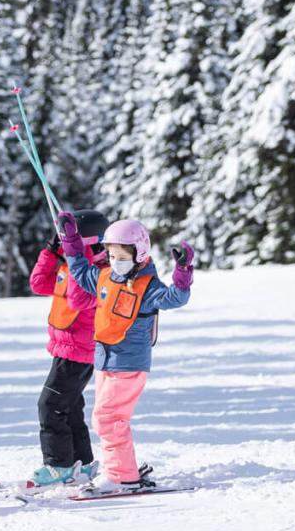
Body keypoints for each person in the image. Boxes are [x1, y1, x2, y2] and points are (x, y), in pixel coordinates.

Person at [56, 210, 194, 491]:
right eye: (112, 256)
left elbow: (175, 298)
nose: (116, 262)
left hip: (129, 364)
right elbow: (81, 272)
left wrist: (182, 272)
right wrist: (71, 241)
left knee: (108, 418)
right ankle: (122, 469)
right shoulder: (106, 277)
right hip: (106, 361)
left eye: (122, 257)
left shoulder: (148, 287)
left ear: (139, 253)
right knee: (108, 419)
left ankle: (121, 476)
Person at [25, 207, 110, 487]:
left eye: (70, 238)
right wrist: (51, 251)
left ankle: (58, 466)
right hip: (65, 348)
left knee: (49, 406)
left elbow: (76, 299)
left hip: (79, 350)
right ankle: (81, 464)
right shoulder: (68, 265)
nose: (64, 242)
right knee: (70, 407)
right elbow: (38, 284)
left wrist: (78, 254)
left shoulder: (98, 272)